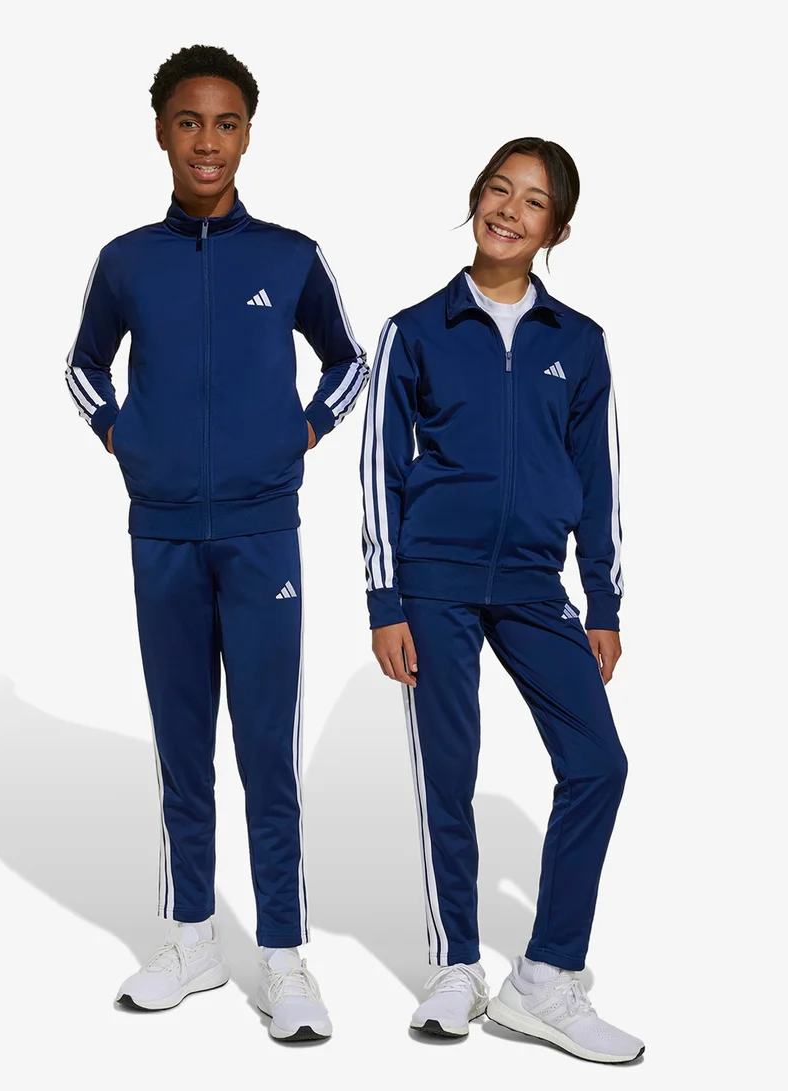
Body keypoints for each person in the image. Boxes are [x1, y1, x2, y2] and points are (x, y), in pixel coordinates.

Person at [65, 44, 368, 1041]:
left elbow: (349, 360)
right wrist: (124, 438)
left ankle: (282, 954)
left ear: (247, 135)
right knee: (182, 742)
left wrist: (300, 434)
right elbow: (81, 367)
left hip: (260, 534)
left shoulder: (288, 255)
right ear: (161, 131)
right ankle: (192, 938)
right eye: (189, 121)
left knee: (265, 750)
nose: (207, 141)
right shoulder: (125, 260)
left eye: (226, 123)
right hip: (160, 533)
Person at [360, 138, 643, 1062]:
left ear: (557, 229)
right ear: (475, 198)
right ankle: (455, 965)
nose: (509, 210)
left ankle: (545, 978)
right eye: (497, 189)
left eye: (533, 201)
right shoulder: (415, 329)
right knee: (449, 770)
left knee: (597, 763)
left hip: (532, 583)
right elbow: (378, 471)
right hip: (433, 579)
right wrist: (384, 599)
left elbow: (599, 480)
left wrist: (602, 602)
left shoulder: (579, 343)